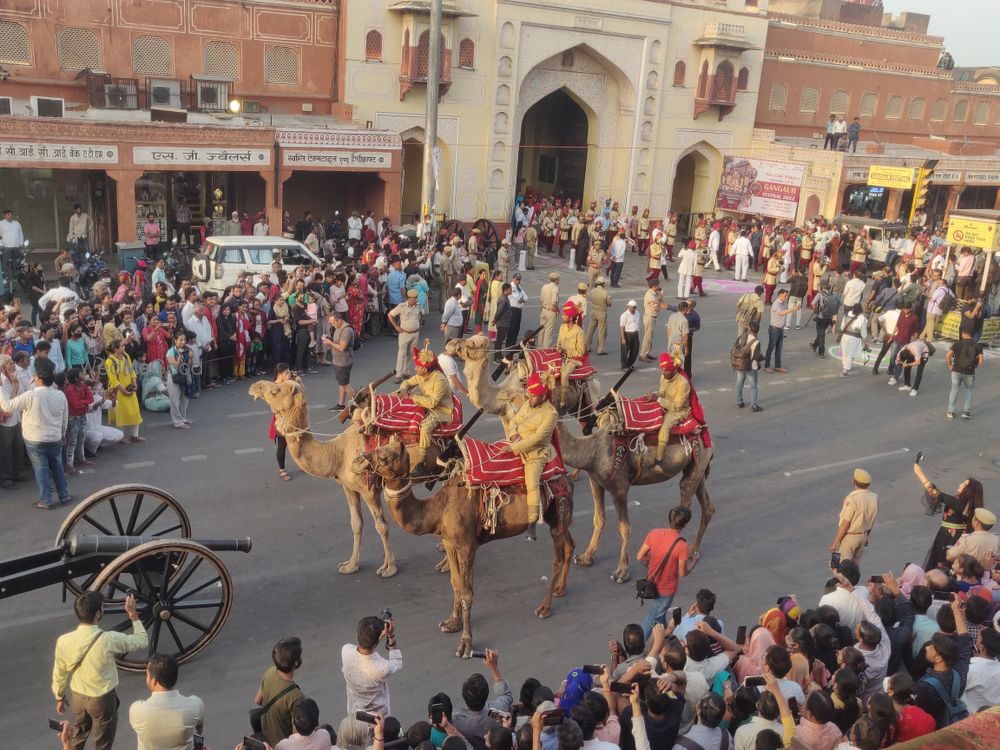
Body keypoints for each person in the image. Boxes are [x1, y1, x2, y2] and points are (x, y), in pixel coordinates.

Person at [52, 591, 148, 750]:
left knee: (77, 736)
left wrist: (59, 696)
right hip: (102, 700)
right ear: (98, 614)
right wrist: (132, 614)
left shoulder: (63, 641)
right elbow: (141, 640)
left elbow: (59, 671)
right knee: (102, 742)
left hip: (77, 697)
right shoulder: (109, 639)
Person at [0, 358, 71, 509]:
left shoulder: (30, 395)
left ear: (38, 379)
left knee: (41, 471)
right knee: (57, 466)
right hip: (55, 437)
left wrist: (0, 388)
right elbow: (65, 419)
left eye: (35, 377)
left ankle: (46, 500)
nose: (33, 378)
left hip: (35, 440)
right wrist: (63, 434)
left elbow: (7, 406)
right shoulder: (60, 395)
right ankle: (64, 495)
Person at [506, 372, 559, 527]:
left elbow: (537, 438)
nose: (530, 398)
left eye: (534, 396)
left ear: (543, 396)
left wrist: (513, 447)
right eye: (530, 394)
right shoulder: (528, 404)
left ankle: (532, 520)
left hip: (535, 453)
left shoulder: (551, 413)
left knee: (532, 483)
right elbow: (514, 421)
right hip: (517, 444)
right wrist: (513, 435)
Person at [912, 461, 983, 570]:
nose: (960, 484)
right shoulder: (970, 505)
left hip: (947, 538)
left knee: (941, 565)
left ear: (969, 491)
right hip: (957, 538)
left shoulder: (958, 503)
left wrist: (919, 473)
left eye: (964, 484)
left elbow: (935, 493)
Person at [128, 653, 205, 750]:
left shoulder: (137, 710)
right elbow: (199, 729)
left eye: (147, 675)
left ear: (154, 681)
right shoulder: (195, 705)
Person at [636, 506, 691, 639]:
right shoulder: (682, 546)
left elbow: (640, 556)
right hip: (666, 589)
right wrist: (694, 561)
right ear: (685, 524)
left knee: (659, 613)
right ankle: (637, 647)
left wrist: (654, 558)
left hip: (652, 583)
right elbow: (683, 572)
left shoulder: (654, 533)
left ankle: (667, 634)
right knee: (653, 617)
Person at [399, 342, 453, 477]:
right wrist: (404, 389)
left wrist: (412, 396)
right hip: (423, 403)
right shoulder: (421, 375)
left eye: (418, 366)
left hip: (441, 410)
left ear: (425, 369)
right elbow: (407, 382)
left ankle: (421, 462)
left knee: (425, 427)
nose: (415, 368)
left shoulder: (439, 380)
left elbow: (432, 403)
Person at [342, 615, 402, 717]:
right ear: (377, 641)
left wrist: (377, 636)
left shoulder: (346, 651)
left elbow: (364, 644)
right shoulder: (381, 667)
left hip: (355, 714)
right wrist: (390, 636)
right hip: (378, 719)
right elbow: (397, 661)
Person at [453, 649, 514, 746]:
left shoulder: (455, 721)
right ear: (487, 694)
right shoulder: (498, 711)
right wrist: (494, 668)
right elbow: (505, 695)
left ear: (464, 696)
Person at [256, 637, 307, 747]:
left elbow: (257, 700)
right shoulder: (296, 697)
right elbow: (296, 737)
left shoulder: (270, 672)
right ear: (296, 663)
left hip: (265, 740)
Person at [829, 468, 878, 564]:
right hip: (863, 536)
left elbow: (845, 523)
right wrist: (867, 536)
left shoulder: (852, 499)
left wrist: (835, 542)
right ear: (868, 484)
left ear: (854, 482)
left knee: (845, 568)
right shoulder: (874, 497)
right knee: (854, 568)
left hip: (850, 538)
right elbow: (871, 520)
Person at [105, 339, 144, 444]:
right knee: (120, 413)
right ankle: (121, 437)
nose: (124, 348)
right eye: (122, 346)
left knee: (135, 411)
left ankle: (134, 436)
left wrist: (135, 385)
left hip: (129, 387)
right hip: (118, 391)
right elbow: (114, 381)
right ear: (115, 349)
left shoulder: (125, 356)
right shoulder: (110, 361)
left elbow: (132, 372)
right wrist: (124, 391)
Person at [945, 329, 983, 419]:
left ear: (965, 334)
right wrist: (975, 360)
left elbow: (948, 355)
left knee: (954, 390)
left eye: (962, 333)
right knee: (969, 391)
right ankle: (966, 412)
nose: (961, 334)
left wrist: (950, 365)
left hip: (956, 370)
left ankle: (950, 411)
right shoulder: (977, 346)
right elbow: (981, 362)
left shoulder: (958, 343)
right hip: (969, 372)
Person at [555, 301, 587, 408]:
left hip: (574, 359)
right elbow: (558, 341)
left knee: (564, 374)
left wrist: (565, 351)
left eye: (564, 315)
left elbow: (581, 352)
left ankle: (563, 401)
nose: (562, 317)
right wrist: (557, 347)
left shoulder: (579, 332)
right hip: (561, 355)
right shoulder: (562, 327)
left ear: (571, 318)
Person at [388, 290, 422, 383]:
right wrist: (396, 326)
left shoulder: (418, 306)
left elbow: (422, 314)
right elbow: (390, 315)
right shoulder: (401, 306)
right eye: (413, 298)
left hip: (415, 333)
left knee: (412, 354)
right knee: (402, 354)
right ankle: (398, 374)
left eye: (415, 298)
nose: (415, 300)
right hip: (404, 333)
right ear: (408, 298)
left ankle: (406, 371)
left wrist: (418, 324)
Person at [326, 313, 356, 411]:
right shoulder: (338, 328)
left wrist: (330, 342)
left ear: (339, 320)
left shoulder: (346, 330)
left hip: (344, 361)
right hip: (338, 361)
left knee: (345, 384)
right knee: (341, 383)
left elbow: (342, 347)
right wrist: (330, 340)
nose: (332, 325)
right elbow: (337, 342)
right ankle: (341, 404)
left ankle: (358, 403)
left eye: (333, 323)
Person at [165, 331, 194, 430]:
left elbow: (190, 365)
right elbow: (176, 366)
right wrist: (180, 355)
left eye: (184, 340)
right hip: (174, 377)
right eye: (180, 340)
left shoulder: (188, 349)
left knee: (185, 398)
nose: (183, 342)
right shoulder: (170, 352)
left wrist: (190, 357)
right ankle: (177, 422)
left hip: (185, 375)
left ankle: (183, 418)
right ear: (175, 340)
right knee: (174, 400)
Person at [763, 289, 797, 373]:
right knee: (771, 347)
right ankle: (766, 366)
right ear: (780, 295)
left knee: (779, 348)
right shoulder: (776, 304)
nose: (786, 297)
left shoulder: (781, 304)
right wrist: (792, 309)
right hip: (774, 328)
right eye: (785, 296)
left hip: (780, 328)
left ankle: (777, 366)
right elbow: (781, 313)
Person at [733, 321, 763, 412]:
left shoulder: (742, 336)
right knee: (753, 385)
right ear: (757, 331)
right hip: (750, 366)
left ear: (750, 329)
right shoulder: (756, 341)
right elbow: (757, 356)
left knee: (739, 382)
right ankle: (754, 405)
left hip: (740, 363)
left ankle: (739, 401)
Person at [838, 302, 868, 378]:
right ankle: (845, 370)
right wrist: (865, 341)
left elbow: (842, 327)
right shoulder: (862, 318)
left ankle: (845, 366)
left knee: (845, 352)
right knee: (850, 354)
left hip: (844, 336)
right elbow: (863, 332)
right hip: (854, 338)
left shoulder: (847, 315)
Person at [640, 279, 665, 362]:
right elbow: (657, 308)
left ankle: (647, 352)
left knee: (650, 337)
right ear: (654, 286)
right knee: (647, 337)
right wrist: (660, 303)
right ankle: (643, 354)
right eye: (658, 285)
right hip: (650, 317)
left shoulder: (654, 293)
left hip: (652, 317)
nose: (659, 286)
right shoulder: (650, 296)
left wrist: (661, 296)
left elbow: (660, 303)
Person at [586, 278, 612, 355]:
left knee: (590, 330)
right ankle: (600, 349)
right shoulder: (605, 293)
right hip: (601, 312)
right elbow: (610, 304)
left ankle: (587, 346)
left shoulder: (592, 291)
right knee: (602, 331)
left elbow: (589, 298)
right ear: (603, 284)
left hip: (593, 311)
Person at [538, 273, 560, 350]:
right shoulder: (555, 288)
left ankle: (539, 348)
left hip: (544, 309)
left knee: (541, 331)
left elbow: (541, 300)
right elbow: (554, 302)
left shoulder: (544, 286)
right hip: (551, 311)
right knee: (548, 332)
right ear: (557, 279)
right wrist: (557, 309)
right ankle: (545, 349)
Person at [620, 300, 640, 371]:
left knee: (635, 350)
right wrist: (623, 338)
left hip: (635, 333)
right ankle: (624, 365)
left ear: (635, 307)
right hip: (627, 334)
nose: (631, 309)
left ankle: (630, 363)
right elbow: (622, 327)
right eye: (630, 307)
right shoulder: (624, 315)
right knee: (625, 351)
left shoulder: (637, 313)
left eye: (633, 308)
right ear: (628, 307)